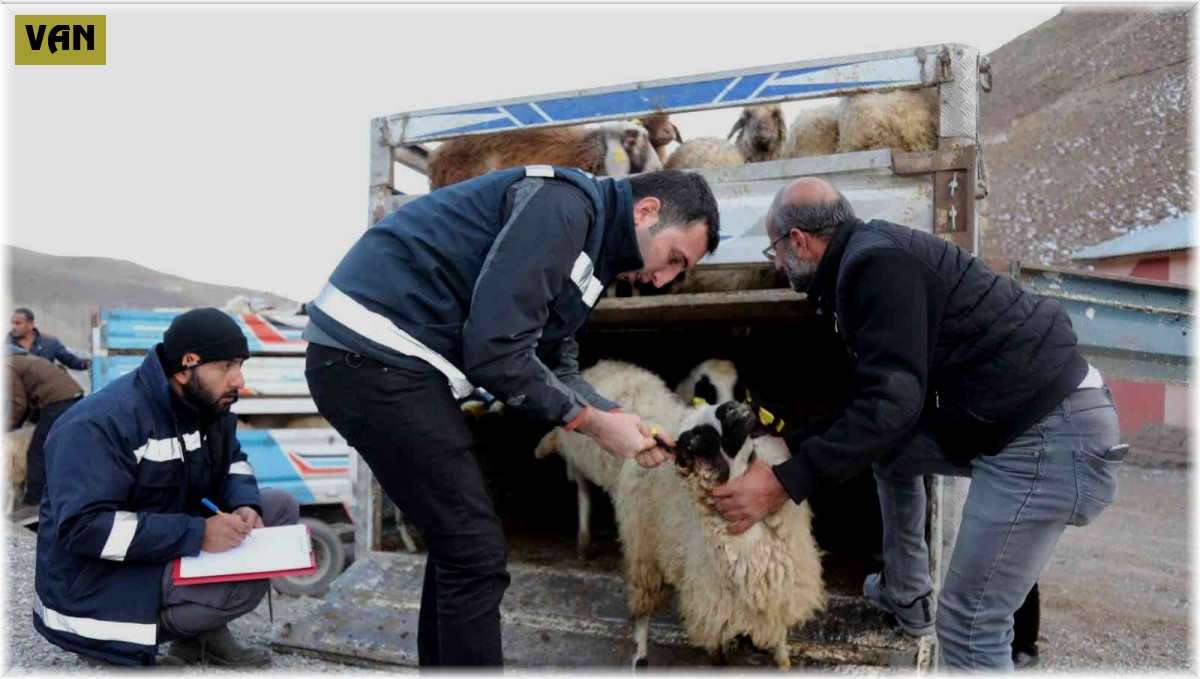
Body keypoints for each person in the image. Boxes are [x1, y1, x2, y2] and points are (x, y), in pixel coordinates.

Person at [304, 167, 719, 666]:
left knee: (460, 547)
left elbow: (555, 362)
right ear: (646, 210)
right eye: (673, 258)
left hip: (398, 365)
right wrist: (590, 423)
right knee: (475, 553)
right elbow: (496, 352)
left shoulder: (593, 257)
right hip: (371, 353)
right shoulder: (564, 208)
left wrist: (615, 415)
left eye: (681, 271)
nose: (664, 279)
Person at [708, 177, 1122, 670]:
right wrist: (790, 445)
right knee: (893, 451)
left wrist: (782, 483)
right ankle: (906, 593)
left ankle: (947, 621)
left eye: (775, 250)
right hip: (1023, 424)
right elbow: (878, 408)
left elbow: (891, 405)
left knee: (970, 625)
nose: (778, 264)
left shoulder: (875, 266)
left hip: (1044, 439)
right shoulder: (867, 260)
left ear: (797, 241)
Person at [33, 307, 299, 667]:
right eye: (225, 367)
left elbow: (232, 461)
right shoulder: (102, 422)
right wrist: (198, 532)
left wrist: (244, 504)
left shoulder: (204, 406)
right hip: (94, 584)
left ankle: (199, 638)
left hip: (155, 549)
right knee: (243, 585)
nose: (238, 380)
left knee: (278, 506)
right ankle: (114, 654)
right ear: (186, 365)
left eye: (240, 365)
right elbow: (83, 529)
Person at [5, 346, 85, 511]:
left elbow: (18, 402)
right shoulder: (28, 359)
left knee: (36, 451)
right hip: (75, 397)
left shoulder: (8, 365)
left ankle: (33, 501)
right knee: (63, 450)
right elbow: (32, 395)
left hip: (59, 403)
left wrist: (9, 425)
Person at [8, 308, 91, 370]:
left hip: (44, 390)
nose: (13, 327)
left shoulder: (49, 343)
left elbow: (70, 360)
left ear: (31, 324)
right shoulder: (6, 346)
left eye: (18, 323)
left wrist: (89, 364)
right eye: (12, 323)